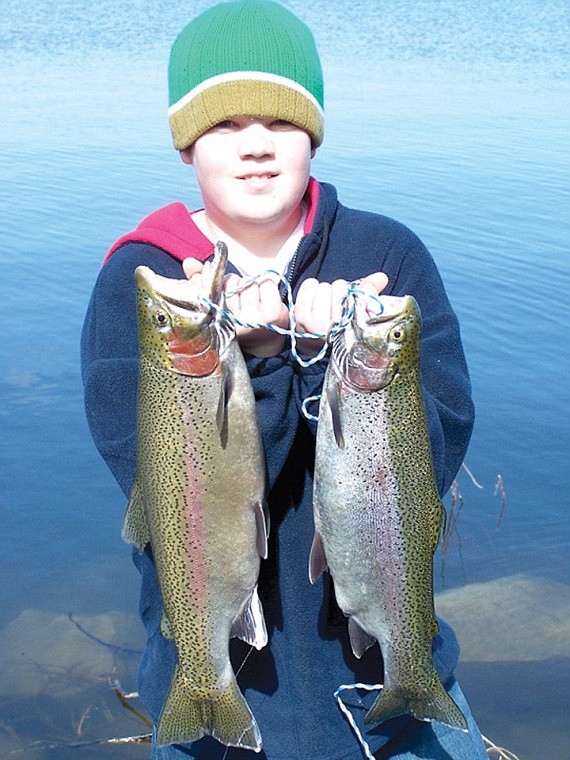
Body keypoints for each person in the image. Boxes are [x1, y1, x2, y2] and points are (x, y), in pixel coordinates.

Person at [81, 1, 489, 757]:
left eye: (282, 123)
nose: (257, 147)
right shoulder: (138, 283)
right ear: (185, 146)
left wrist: (369, 380)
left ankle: (414, 681)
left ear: (315, 134)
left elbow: (441, 447)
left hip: (393, 690)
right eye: (225, 126)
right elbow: (155, 479)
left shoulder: (386, 258)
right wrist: (261, 365)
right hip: (216, 698)